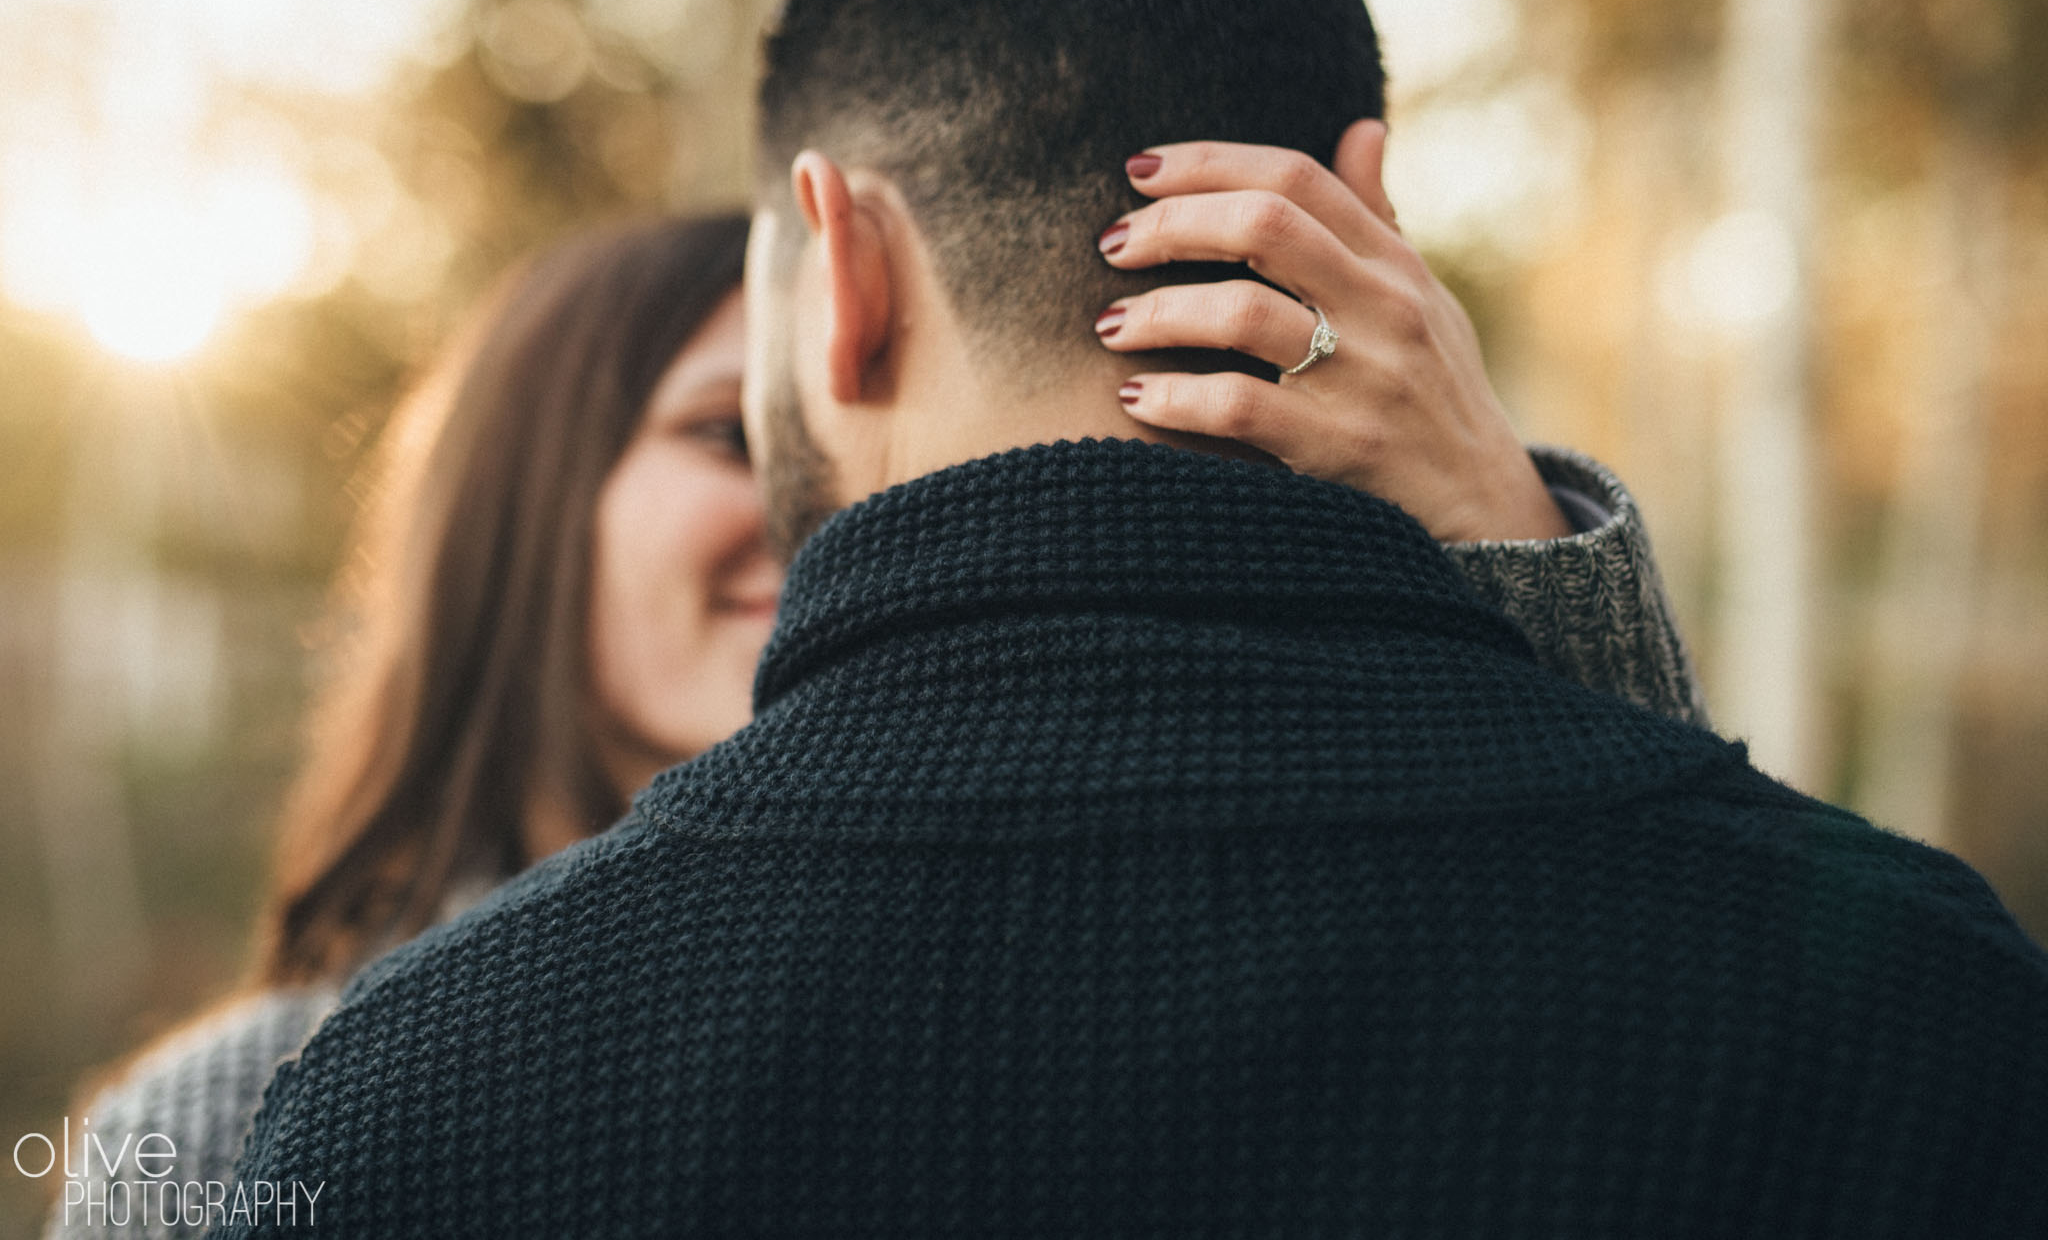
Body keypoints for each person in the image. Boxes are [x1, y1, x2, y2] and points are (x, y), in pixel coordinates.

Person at [212, 0, 2048, 1236]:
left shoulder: (415, 1100)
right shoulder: (1929, 1009)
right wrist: (1528, 579)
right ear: (1369, 221)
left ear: (839, 272)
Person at [55, 204, 1694, 1237]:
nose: (816, 514)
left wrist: (1513, 545)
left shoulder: (1059, 1010)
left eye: (844, 446)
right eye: (725, 436)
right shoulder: (225, 1129)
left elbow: (1674, 1044)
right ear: (522, 509)